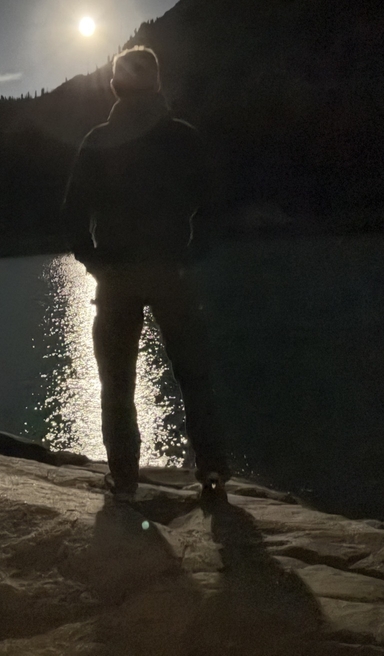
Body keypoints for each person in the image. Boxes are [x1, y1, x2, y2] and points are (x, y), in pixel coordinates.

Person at [62, 46, 230, 501]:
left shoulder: (98, 139)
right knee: (194, 374)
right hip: (170, 272)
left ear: (115, 87)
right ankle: (211, 471)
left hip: (115, 279)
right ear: (156, 85)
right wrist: (191, 254)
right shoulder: (182, 137)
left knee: (116, 381)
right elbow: (215, 203)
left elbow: (72, 213)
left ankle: (124, 480)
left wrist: (93, 261)